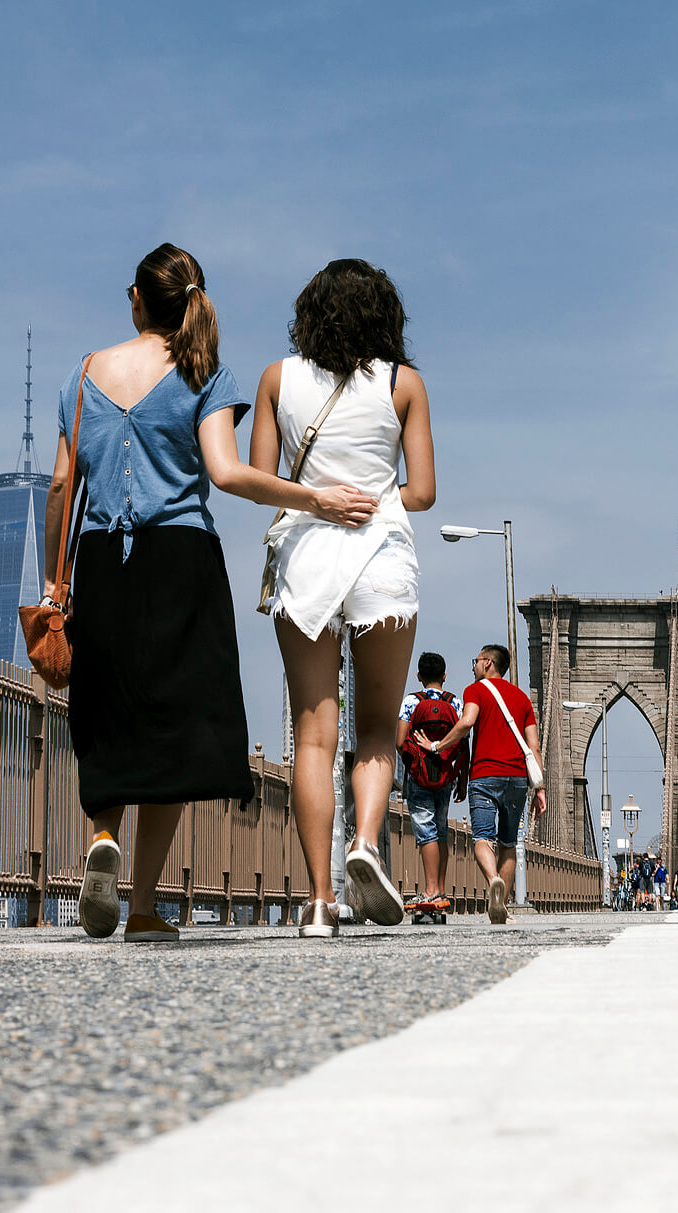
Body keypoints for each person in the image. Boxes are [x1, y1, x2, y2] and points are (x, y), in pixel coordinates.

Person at [52, 244, 377, 943]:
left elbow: (60, 485)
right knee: (171, 723)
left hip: (103, 558)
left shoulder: (86, 374)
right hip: (182, 559)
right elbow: (227, 474)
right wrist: (314, 497)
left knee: (107, 711)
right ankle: (140, 905)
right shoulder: (203, 370)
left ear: (136, 298)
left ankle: (101, 835)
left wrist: (55, 581)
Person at [253, 259, 437, 938]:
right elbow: (422, 493)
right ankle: (365, 840)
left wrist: (318, 499)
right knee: (377, 728)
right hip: (381, 557)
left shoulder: (278, 379)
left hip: (306, 557)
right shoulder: (402, 384)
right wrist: (371, 495)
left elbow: (260, 479)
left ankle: (320, 901)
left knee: (312, 735)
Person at [417, 643, 546, 924]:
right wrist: (540, 788)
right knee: (509, 843)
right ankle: (504, 909)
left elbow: (466, 722)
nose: (473, 667)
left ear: (487, 663)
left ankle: (493, 880)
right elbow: (534, 746)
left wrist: (437, 746)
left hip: (485, 775)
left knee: (482, 839)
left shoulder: (474, 690)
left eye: (475, 661)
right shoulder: (523, 698)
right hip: (517, 779)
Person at [398, 651, 466, 916]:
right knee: (440, 830)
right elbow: (462, 740)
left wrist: (414, 761)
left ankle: (430, 891)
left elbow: (400, 739)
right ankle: (440, 890)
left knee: (425, 830)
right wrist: (461, 778)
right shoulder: (455, 702)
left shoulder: (411, 701)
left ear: (418, 676)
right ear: (445, 676)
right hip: (447, 774)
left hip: (419, 775)